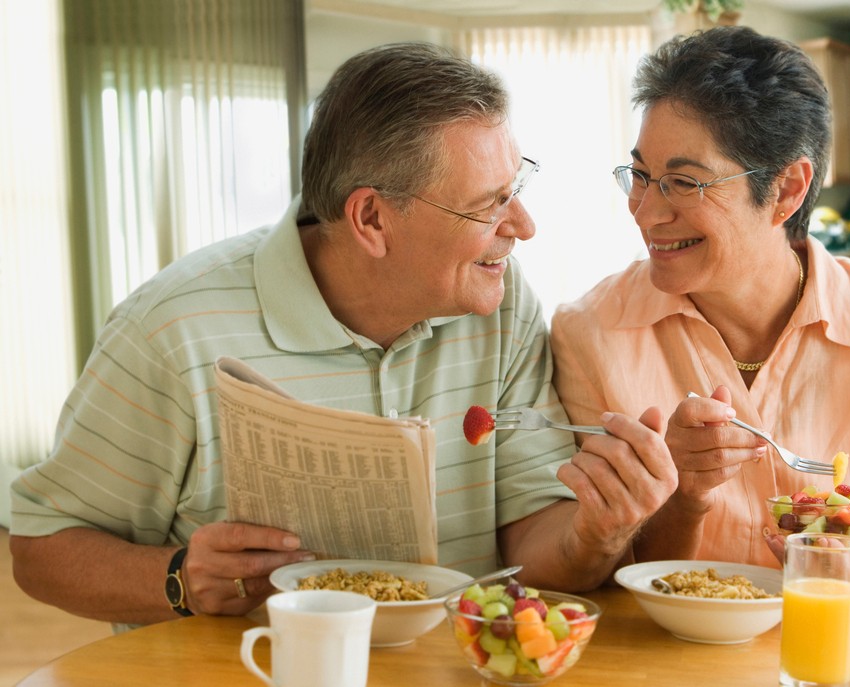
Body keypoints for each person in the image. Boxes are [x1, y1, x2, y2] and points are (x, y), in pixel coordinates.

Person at [10, 42, 677, 629]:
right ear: (370, 218)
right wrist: (180, 577)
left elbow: (534, 544)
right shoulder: (172, 330)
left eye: (516, 187)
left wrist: (599, 527)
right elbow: (40, 550)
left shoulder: (501, 308)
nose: (523, 226)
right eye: (488, 205)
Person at [550, 26, 850, 628]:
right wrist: (684, 498)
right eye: (639, 175)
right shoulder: (589, 333)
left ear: (787, 190)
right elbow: (588, 588)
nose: (647, 210)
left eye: (685, 182)